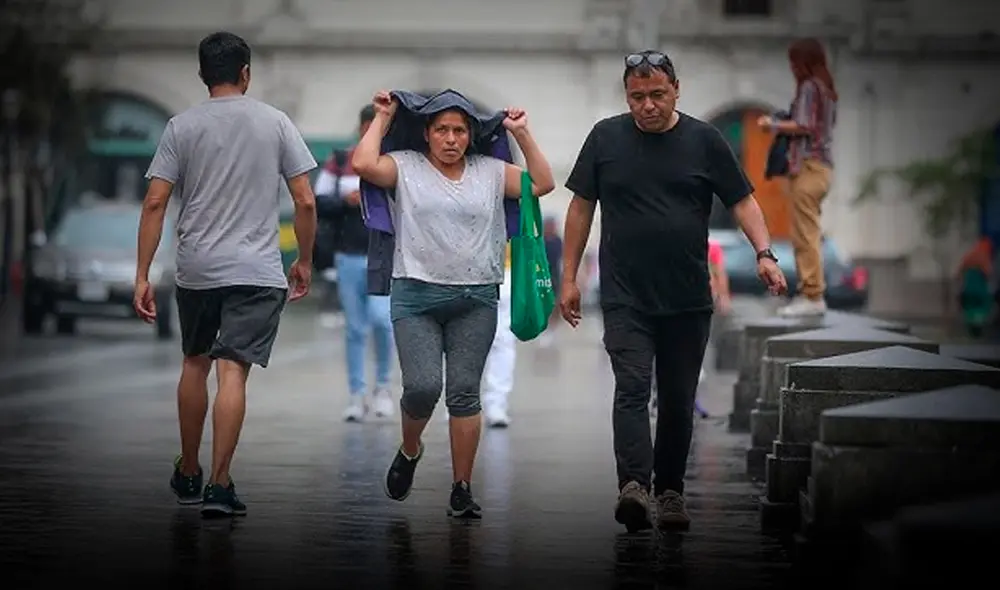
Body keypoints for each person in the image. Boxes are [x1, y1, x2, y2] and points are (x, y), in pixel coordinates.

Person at [559, 49, 786, 533]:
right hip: (624, 295)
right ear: (627, 97)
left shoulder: (705, 141)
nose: (647, 105)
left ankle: (671, 493)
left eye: (657, 94)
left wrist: (764, 254)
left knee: (679, 399)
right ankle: (634, 488)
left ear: (676, 90)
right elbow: (581, 208)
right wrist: (569, 277)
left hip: (687, 297)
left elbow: (742, 202)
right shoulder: (605, 138)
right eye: (637, 96)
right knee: (633, 388)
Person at [134, 31, 317, 517]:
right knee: (231, 369)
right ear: (246, 74)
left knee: (195, 362)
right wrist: (304, 260)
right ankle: (219, 485)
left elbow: (155, 201)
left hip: (197, 268)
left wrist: (142, 274)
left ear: (201, 75)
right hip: (256, 270)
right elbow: (305, 199)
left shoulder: (180, 126)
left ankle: (189, 470)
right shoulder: (276, 123)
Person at [352, 90, 554, 518]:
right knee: (423, 388)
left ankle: (461, 488)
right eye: (441, 129)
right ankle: (410, 450)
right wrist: (384, 117)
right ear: (427, 134)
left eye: (459, 130)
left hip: (476, 296)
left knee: (464, 394)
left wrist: (522, 133)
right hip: (415, 295)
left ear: (471, 136)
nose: (450, 138)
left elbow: (542, 184)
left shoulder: (492, 171)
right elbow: (363, 164)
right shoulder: (405, 166)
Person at [314, 105, 395, 422]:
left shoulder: (392, 162)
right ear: (362, 128)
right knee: (355, 329)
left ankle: (384, 387)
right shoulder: (341, 161)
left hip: (383, 255)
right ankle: (357, 393)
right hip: (348, 255)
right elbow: (319, 200)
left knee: (382, 322)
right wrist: (345, 201)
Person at [758, 38, 837, 318]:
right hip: (822, 168)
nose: (792, 67)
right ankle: (811, 293)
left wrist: (773, 125)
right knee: (808, 231)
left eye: (795, 61)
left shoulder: (809, 87)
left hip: (808, 166)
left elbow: (805, 125)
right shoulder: (826, 90)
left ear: (805, 62)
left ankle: (812, 295)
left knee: (805, 233)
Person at [481, 243, 515, 428]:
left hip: (505, 270)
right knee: (463, 337)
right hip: (464, 270)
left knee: (503, 341)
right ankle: (460, 401)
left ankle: (497, 403)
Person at [958, 237, 994, 338]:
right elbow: (988, 272)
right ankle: (977, 330)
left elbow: (960, 269)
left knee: (969, 309)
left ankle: (972, 329)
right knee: (981, 309)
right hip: (979, 290)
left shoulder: (970, 254)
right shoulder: (984, 256)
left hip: (968, 289)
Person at [537, 217, 563, 347]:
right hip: (541, 275)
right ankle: (542, 327)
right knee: (541, 302)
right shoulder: (540, 241)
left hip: (555, 276)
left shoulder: (558, 241)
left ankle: (552, 329)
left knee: (554, 303)